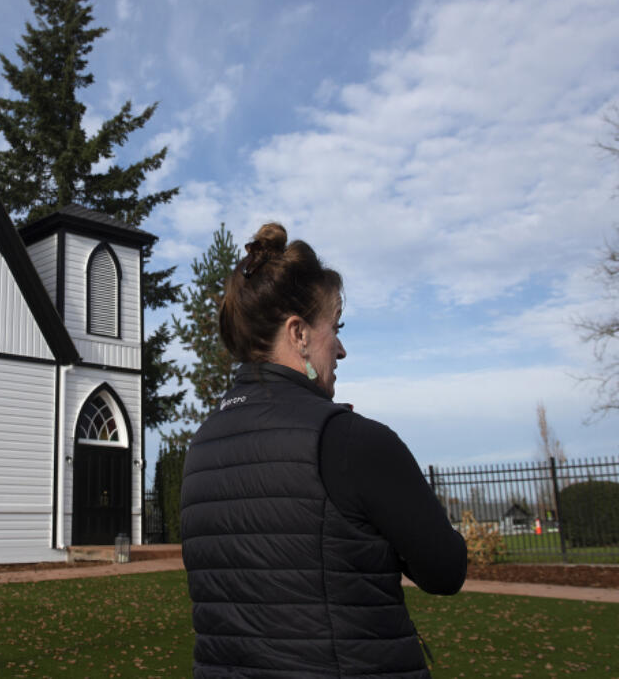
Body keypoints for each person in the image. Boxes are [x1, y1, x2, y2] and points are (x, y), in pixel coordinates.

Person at [180, 223, 467, 678]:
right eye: (335, 327)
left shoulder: (201, 449)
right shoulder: (351, 441)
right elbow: (446, 569)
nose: (342, 348)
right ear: (298, 334)